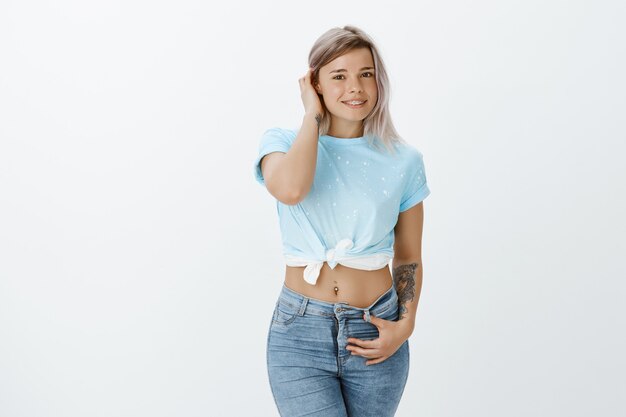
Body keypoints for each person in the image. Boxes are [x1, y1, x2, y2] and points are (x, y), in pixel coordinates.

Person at [253, 25, 431, 417]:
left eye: (366, 74)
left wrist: (405, 326)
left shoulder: (404, 160)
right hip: (298, 334)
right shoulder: (281, 142)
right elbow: (291, 190)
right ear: (313, 83)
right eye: (339, 76)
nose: (356, 87)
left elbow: (408, 256)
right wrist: (312, 117)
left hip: (375, 329)